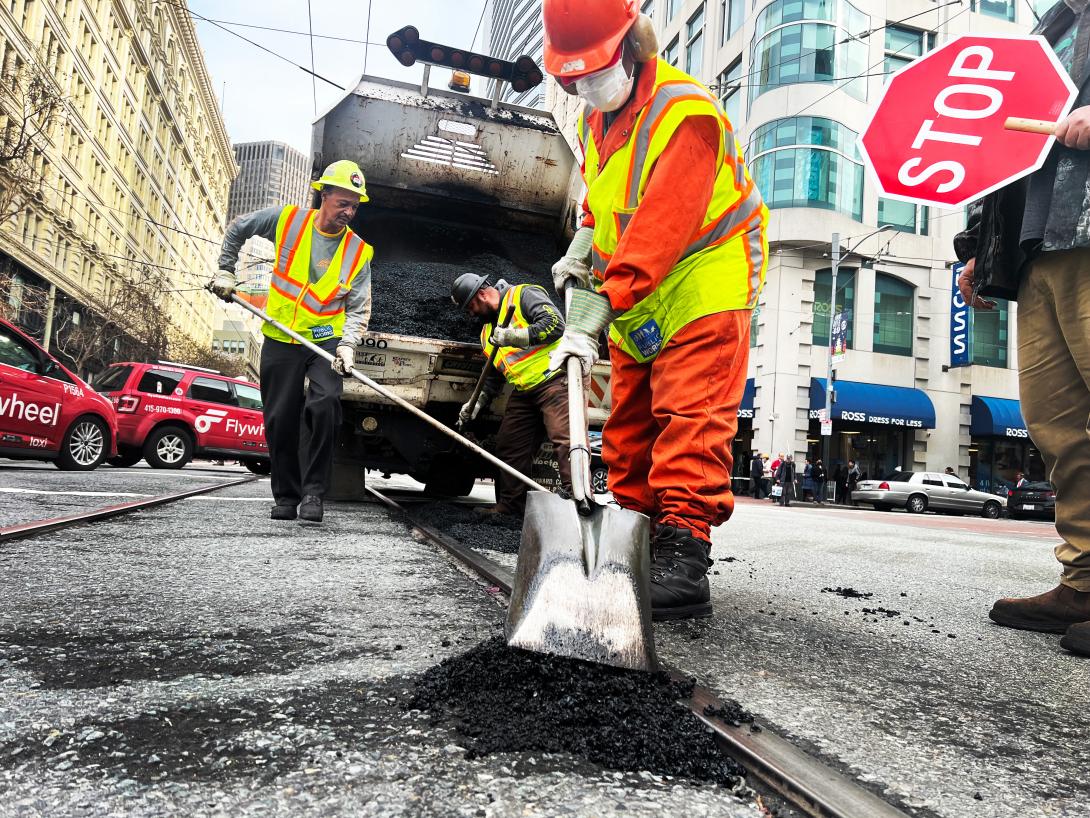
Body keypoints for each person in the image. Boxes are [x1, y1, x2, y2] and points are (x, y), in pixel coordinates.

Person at [541, 0, 768, 621]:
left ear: (633, 45)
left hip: (702, 278)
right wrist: (582, 248)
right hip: (635, 286)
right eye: (573, 77)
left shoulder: (687, 114)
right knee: (628, 425)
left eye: (594, 69)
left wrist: (593, 314)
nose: (585, 85)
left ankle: (684, 560)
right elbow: (606, 207)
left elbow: (662, 226)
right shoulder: (595, 122)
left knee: (688, 419)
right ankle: (633, 544)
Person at [953, 0, 1090, 657]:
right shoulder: (1050, 30)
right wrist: (977, 245)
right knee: (1058, 426)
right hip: (1038, 247)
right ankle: (1086, 581)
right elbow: (998, 147)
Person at [211, 160, 372, 523]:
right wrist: (226, 270)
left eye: (354, 206)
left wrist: (347, 345)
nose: (348, 211)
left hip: (325, 341)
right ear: (323, 195)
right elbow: (238, 228)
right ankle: (286, 495)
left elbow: (359, 308)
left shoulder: (359, 252)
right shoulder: (287, 220)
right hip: (281, 335)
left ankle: (314, 493)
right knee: (280, 417)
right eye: (343, 202)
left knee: (326, 403)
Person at [450, 273, 571, 515]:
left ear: (482, 294)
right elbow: (494, 374)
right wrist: (477, 402)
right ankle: (511, 507)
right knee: (509, 445)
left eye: (470, 306)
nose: (470, 313)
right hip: (525, 391)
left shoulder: (523, 295)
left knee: (566, 441)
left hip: (555, 380)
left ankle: (579, 503)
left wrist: (514, 336)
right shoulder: (486, 335)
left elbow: (556, 324)